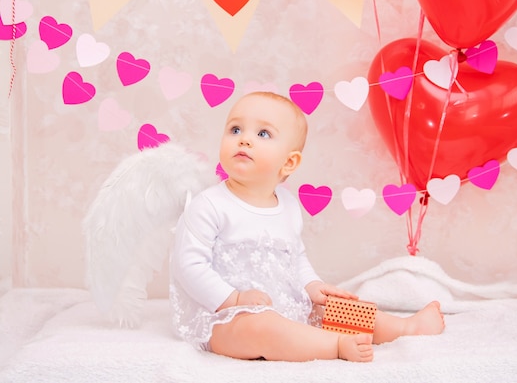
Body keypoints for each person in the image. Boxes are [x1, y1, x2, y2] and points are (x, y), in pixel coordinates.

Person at [169, 91, 445, 362]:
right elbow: (188, 265)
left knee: (335, 310)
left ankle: (405, 328)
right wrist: (234, 299)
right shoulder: (210, 204)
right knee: (261, 327)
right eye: (235, 129)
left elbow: (295, 256)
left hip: (282, 303)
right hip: (222, 318)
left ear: (289, 162)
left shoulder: (287, 205)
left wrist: (312, 286)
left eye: (262, 134)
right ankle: (334, 345)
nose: (245, 140)